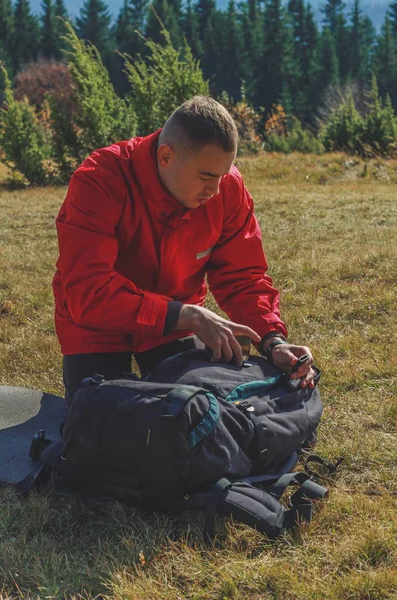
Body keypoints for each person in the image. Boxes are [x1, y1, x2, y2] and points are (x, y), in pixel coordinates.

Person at [53, 96, 315, 405]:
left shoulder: (226, 189)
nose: (216, 190)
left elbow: (242, 277)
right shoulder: (99, 180)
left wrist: (272, 340)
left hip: (174, 326)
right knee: (99, 423)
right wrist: (186, 315)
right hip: (98, 327)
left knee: (193, 410)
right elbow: (89, 292)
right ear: (166, 156)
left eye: (223, 174)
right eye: (205, 176)